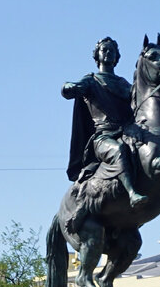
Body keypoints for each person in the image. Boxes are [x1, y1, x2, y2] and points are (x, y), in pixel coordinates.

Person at [63, 37, 148, 218]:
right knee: (118, 150)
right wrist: (68, 87)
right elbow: (70, 89)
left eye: (112, 51)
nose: (108, 53)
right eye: (104, 50)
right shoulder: (91, 80)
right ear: (97, 55)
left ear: (117, 56)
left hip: (126, 132)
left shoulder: (124, 84)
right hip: (103, 137)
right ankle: (132, 193)